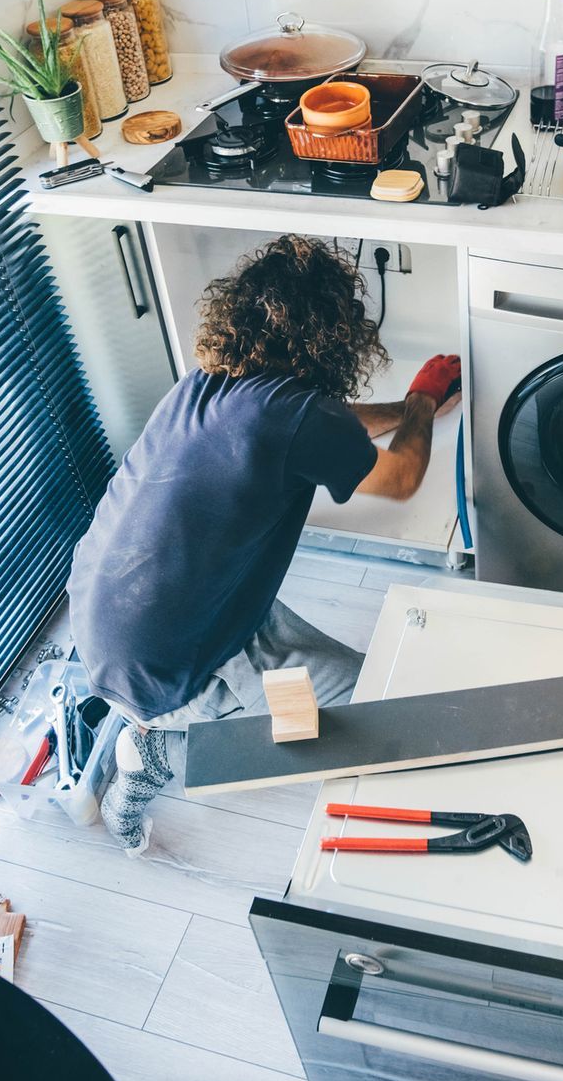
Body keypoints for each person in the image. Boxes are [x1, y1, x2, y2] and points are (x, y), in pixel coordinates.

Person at [65, 235, 461, 853]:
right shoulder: (297, 416)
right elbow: (404, 478)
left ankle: (144, 712)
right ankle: (150, 753)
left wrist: (410, 413)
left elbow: (324, 427)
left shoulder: (208, 383)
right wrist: (420, 400)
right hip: (175, 646)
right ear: (332, 335)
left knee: (325, 678)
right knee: (381, 704)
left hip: (113, 605)